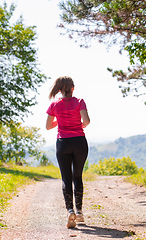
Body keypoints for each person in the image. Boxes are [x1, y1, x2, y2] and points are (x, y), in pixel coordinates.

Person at [46, 76, 90, 228]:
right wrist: (79, 123)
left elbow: (48, 126)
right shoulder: (80, 102)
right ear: (73, 88)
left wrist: (60, 119)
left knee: (66, 178)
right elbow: (87, 121)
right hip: (79, 142)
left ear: (59, 89)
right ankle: (79, 213)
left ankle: (70, 211)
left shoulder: (55, 104)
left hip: (63, 143)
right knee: (77, 177)